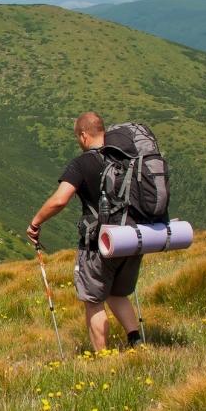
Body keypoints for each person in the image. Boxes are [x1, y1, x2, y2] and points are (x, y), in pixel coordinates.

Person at [27, 111, 144, 352]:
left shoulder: (82, 163)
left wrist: (35, 223)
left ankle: (103, 358)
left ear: (83, 135)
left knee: (93, 300)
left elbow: (60, 200)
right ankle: (136, 341)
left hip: (99, 244)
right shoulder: (127, 158)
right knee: (117, 293)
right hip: (132, 238)